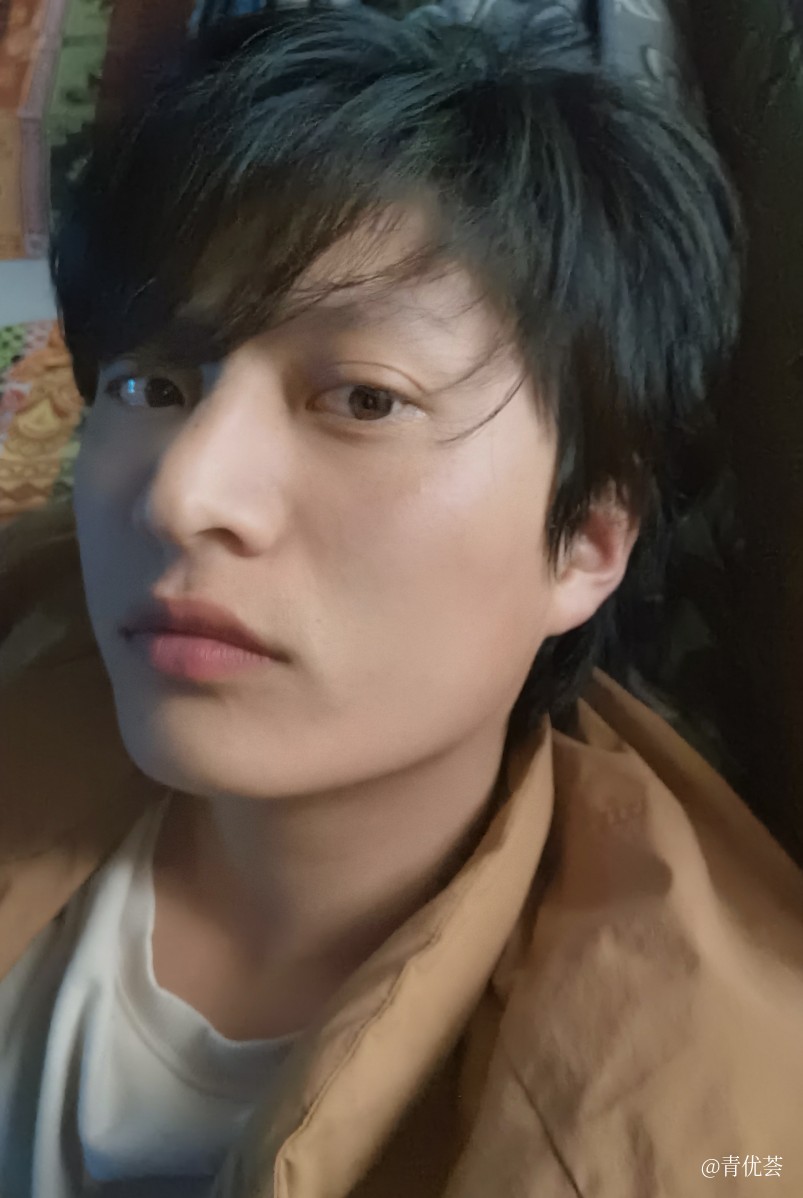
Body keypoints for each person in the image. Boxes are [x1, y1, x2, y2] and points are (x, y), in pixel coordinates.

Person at [1, 5, 802, 1196]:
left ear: (586, 541)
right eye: (152, 384)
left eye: (364, 399)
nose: (183, 495)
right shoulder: (32, 640)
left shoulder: (705, 1119)